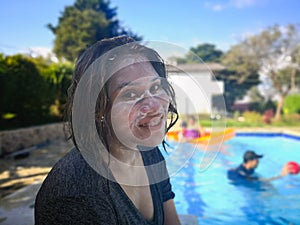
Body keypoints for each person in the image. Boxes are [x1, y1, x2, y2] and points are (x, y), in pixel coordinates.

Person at [35, 36, 181, 225]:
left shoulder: (150, 155)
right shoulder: (76, 195)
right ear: (98, 109)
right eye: (130, 94)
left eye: (155, 87)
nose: (154, 107)